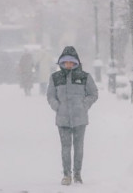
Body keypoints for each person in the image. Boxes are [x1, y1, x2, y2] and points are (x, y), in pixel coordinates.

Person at [47, 46, 98, 186]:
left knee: (79, 148)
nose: (68, 64)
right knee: (65, 148)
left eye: (71, 62)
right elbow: (50, 95)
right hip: (62, 119)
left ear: (76, 62)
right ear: (61, 62)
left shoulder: (84, 76)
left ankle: (77, 174)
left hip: (80, 119)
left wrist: (84, 105)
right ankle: (66, 175)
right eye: (65, 62)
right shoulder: (55, 77)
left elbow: (93, 93)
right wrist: (57, 106)